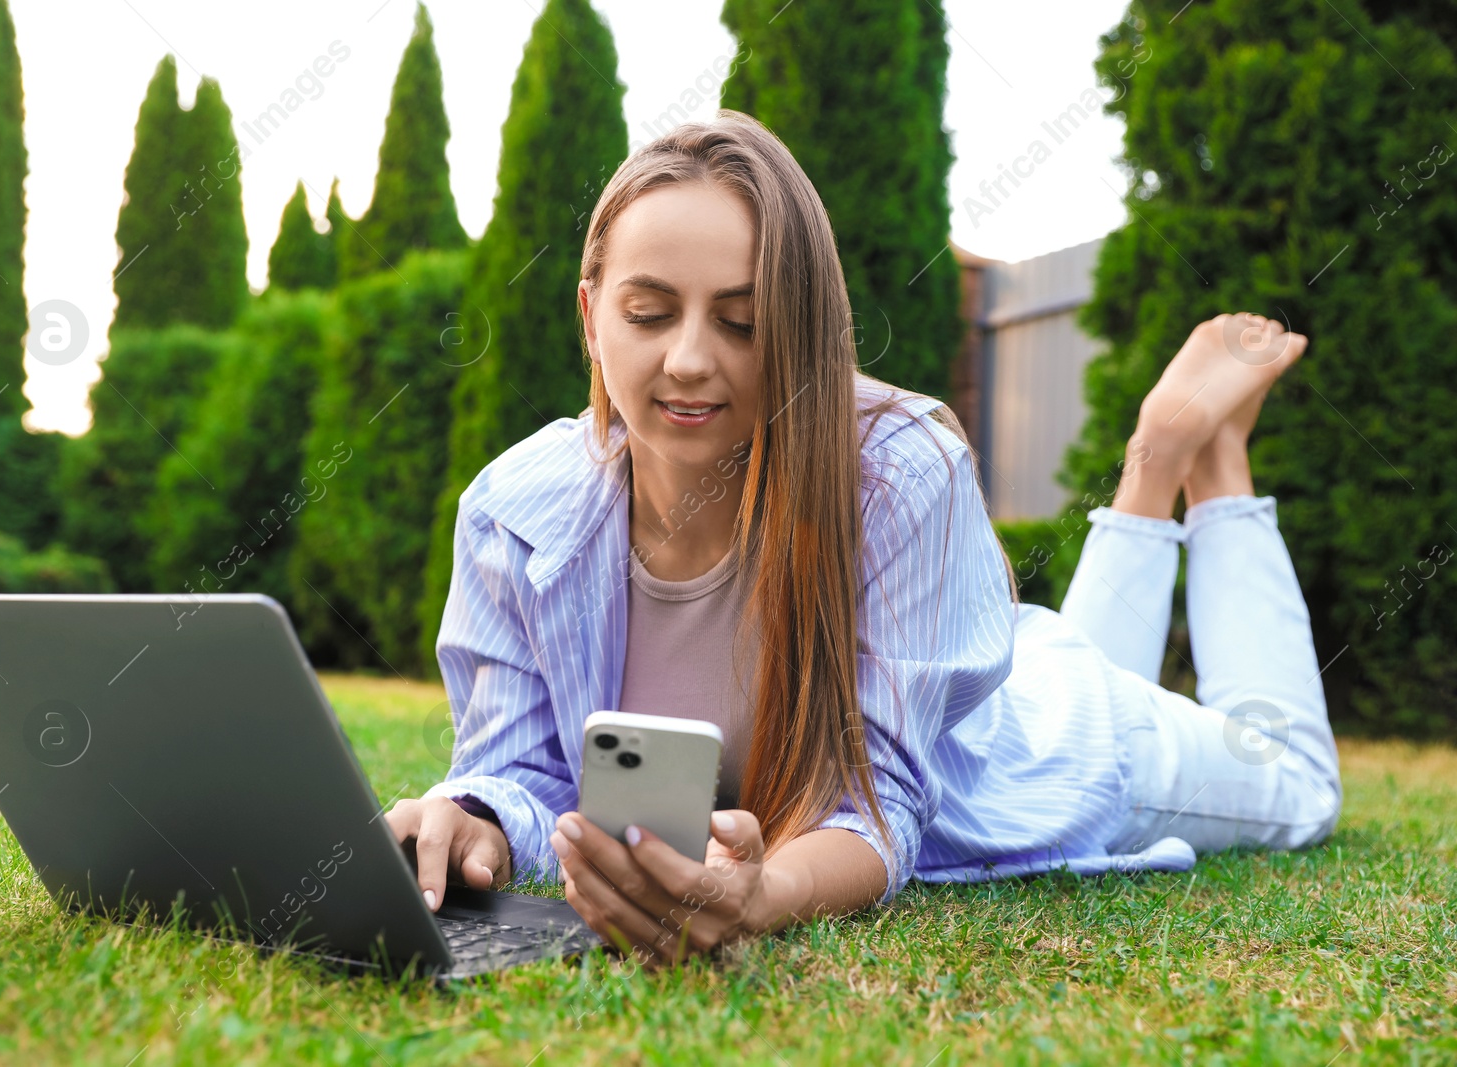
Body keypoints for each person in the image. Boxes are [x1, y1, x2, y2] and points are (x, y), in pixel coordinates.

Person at [386, 110, 1342, 967]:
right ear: (592, 316)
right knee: (1082, 645)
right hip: (993, 663)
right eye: (647, 312)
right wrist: (474, 821)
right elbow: (528, 771)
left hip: (1060, 744)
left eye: (743, 321)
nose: (687, 359)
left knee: (1297, 784)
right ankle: (1151, 473)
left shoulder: (899, 469)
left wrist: (769, 893)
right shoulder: (515, 509)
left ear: (800, 329)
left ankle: (1199, 458)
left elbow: (877, 806)